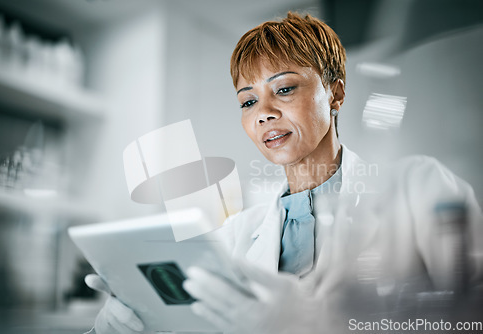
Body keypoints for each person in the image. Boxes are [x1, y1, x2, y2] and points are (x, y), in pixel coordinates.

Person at [86, 12, 483, 334]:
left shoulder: (419, 187)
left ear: (336, 93)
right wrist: (130, 321)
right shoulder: (234, 236)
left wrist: (327, 325)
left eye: (285, 88)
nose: (263, 113)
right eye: (247, 101)